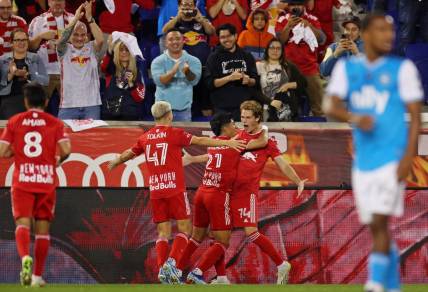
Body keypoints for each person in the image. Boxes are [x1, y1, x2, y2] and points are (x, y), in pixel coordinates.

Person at [323, 13, 423, 292]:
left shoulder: (402, 69)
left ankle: (375, 283)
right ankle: (392, 287)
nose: (389, 35)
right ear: (365, 34)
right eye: (381, 30)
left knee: (379, 218)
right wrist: (355, 117)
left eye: (391, 30)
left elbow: (416, 116)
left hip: (391, 159)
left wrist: (408, 157)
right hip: (363, 163)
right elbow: (329, 105)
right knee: (377, 227)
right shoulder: (348, 69)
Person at [107, 101, 246, 283]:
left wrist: (116, 161)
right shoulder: (175, 134)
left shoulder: (145, 138)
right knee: (185, 229)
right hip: (174, 188)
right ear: (170, 115)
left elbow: (130, 153)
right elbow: (201, 140)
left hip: (156, 189)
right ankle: (171, 264)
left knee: (163, 232)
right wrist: (228, 144)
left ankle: (163, 270)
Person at [160, 112, 268, 284]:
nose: (236, 126)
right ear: (225, 127)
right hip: (218, 195)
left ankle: (174, 269)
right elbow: (262, 142)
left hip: (202, 193)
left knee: (196, 237)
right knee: (223, 242)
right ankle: (197, 273)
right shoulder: (236, 143)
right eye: (233, 123)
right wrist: (265, 128)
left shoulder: (213, 143)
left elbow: (212, 156)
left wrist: (193, 159)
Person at [0, 82, 71, 287]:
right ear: (46, 101)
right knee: (42, 230)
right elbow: (66, 149)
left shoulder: (15, 121)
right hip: (45, 181)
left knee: (23, 224)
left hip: (23, 180)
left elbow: (3, 152)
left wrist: (19, 150)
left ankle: (24, 258)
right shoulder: (54, 123)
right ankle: (37, 276)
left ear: (25, 101)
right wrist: (56, 160)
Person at [275, 0, 326, 117]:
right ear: (288, 6)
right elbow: (279, 43)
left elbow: (322, 39)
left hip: (310, 68)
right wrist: (288, 26)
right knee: (287, 105)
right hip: (289, 69)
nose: (295, 7)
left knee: (319, 107)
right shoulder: (282, 20)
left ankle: (322, 131)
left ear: (304, 5)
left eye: (298, 4)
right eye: (293, 5)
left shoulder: (312, 19)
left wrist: (310, 27)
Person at [56, 2, 104, 120]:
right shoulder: (64, 49)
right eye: (76, 34)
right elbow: (61, 40)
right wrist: (76, 18)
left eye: (83, 35)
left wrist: (89, 18)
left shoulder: (91, 48)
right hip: (68, 105)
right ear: (70, 35)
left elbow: (101, 40)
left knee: (92, 138)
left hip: (91, 104)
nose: (79, 38)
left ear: (87, 36)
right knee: (65, 137)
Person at [28, 0, 74, 114]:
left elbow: (84, 42)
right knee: (38, 109)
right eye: (54, 0)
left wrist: (66, 40)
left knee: (70, 109)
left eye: (61, 0)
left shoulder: (74, 20)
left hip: (68, 72)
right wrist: (41, 36)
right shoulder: (38, 20)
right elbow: (30, 47)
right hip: (44, 72)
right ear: (48, 2)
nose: (57, 3)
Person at [205, 23, 258, 121]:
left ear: (236, 36)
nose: (226, 40)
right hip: (221, 108)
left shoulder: (246, 55)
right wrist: (229, 78)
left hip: (244, 109)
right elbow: (210, 83)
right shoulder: (213, 57)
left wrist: (249, 80)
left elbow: (255, 80)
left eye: (229, 36)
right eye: (222, 37)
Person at [151, 29, 202, 121]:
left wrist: (187, 72)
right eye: (170, 39)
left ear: (183, 41)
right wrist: (173, 71)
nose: (175, 41)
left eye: (178, 38)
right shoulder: (157, 61)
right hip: (162, 112)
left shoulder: (194, 61)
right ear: (166, 43)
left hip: (184, 112)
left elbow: (194, 81)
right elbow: (160, 82)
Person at [0, 28, 48, 119]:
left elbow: (46, 80)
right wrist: (9, 76)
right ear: (11, 43)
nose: (21, 43)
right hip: (9, 101)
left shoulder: (36, 58)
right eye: (17, 40)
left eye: (24, 40)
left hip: (33, 102)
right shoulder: (2, 60)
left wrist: (30, 76)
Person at [257, 38, 307, 121]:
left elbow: (304, 83)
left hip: (285, 110)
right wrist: (270, 101)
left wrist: (289, 85)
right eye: (272, 48)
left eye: (278, 48)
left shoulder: (288, 66)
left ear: (282, 51)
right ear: (267, 50)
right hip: (265, 109)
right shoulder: (259, 65)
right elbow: (255, 90)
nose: (275, 51)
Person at [100, 34, 146, 120]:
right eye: (121, 50)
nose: (124, 52)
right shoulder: (111, 68)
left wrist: (131, 84)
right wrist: (110, 50)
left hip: (130, 116)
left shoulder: (137, 72)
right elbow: (103, 67)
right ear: (117, 52)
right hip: (110, 115)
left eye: (127, 50)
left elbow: (140, 98)